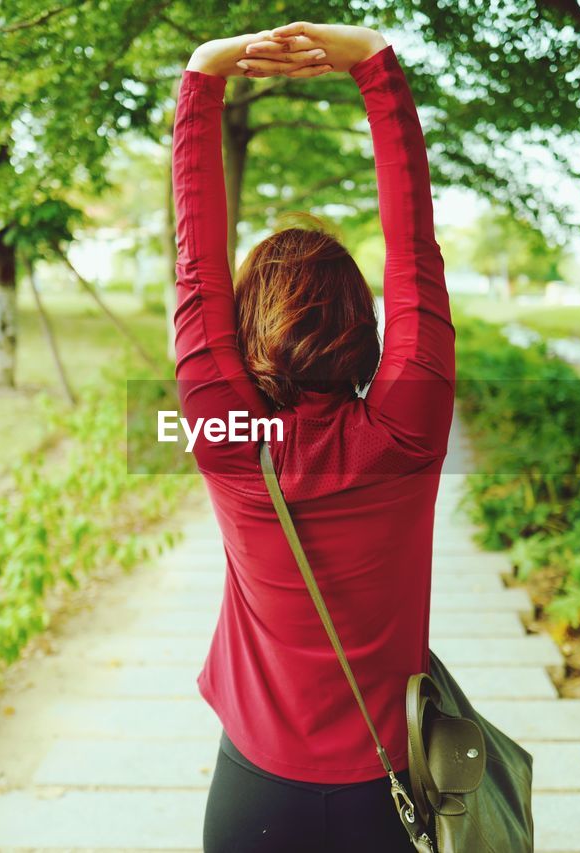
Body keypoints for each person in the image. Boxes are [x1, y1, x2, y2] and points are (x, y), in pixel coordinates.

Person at [172, 20, 454, 853]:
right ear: (366, 328)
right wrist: (375, 69)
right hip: (388, 793)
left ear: (241, 325)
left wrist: (202, 79)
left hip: (256, 793)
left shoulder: (225, 436)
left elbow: (195, 267)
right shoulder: (409, 426)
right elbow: (415, 252)